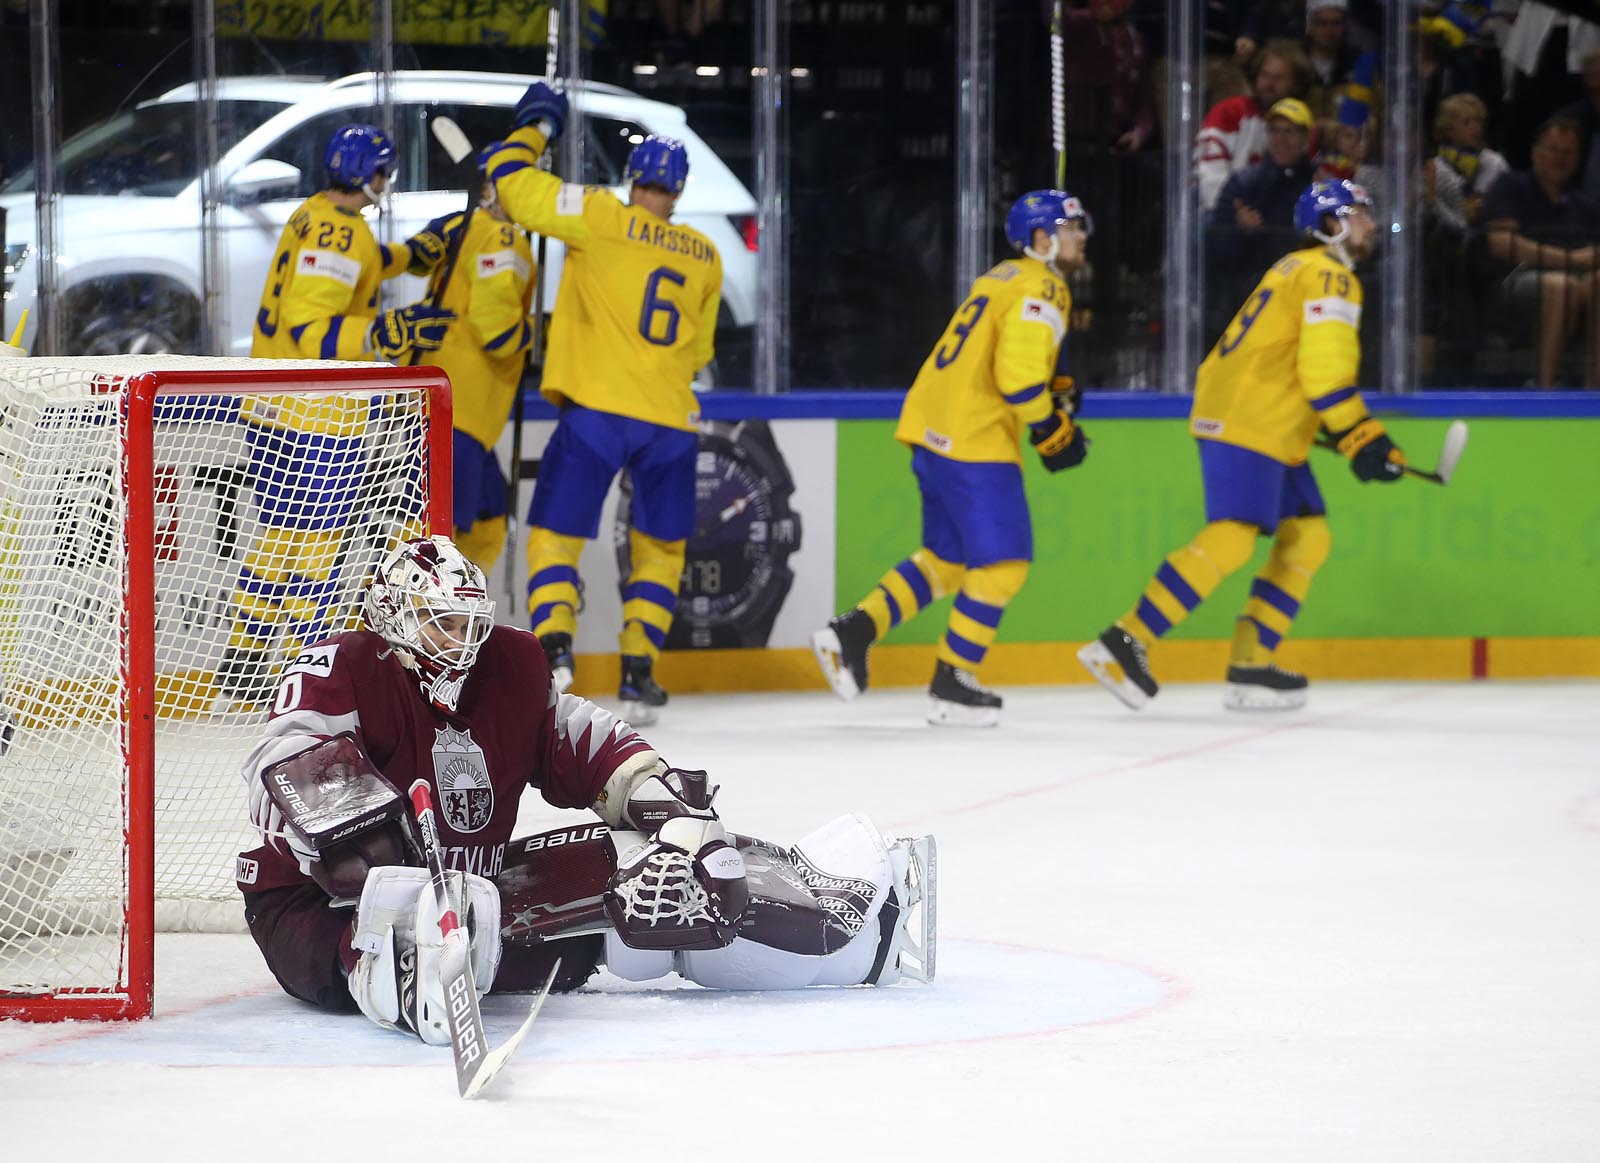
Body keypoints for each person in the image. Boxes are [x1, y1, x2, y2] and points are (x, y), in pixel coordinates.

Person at [236, 535, 935, 1041]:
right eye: (440, 622)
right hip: (316, 906)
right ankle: (388, 971)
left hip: (473, 896)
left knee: (658, 894)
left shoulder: (508, 666)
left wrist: (666, 804)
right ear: (395, 619)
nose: (461, 638)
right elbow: (287, 764)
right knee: (391, 943)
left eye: (468, 621)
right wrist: (377, 859)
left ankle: (860, 926)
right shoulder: (345, 667)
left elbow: (581, 740)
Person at [1078, 179, 1405, 713]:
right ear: (1331, 225)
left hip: (1262, 418)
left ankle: (1251, 665)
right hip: (1252, 419)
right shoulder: (1330, 275)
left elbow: (1289, 362)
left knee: (1308, 536)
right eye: (1359, 213)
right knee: (1232, 534)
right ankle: (1125, 640)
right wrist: (1362, 435)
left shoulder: (1295, 267)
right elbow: (1324, 372)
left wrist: (1342, 431)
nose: (1370, 223)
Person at [485, 84, 723, 724]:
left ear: (632, 177)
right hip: (670, 420)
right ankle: (639, 675)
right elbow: (700, 351)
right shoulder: (706, 255)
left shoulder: (599, 213)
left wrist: (536, 126)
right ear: (678, 190)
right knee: (660, 548)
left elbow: (513, 187)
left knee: (555, 536)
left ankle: (556, 651)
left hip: (597, 413)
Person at [810, 190, 1092, 728]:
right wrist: (1052, 428)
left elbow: (1006, 354)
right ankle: (953, 681)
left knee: (946, 559)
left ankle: (852, 631)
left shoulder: (1001, 277)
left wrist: (1054, 386)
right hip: (975, 440)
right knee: (1004, 565)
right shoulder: (1045, 286)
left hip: (932, 428)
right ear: (1042, 239)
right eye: (1070, 227)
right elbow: (1017, 380)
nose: (1080, 237)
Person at [219, 124, 456, 702]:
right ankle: (307, 672)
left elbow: (352, 263)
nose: (385, 182)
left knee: (277, 541)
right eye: (383, 172)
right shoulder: (342, 232)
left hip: (270, 405)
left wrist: (409, 255)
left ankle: (244, 660)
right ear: (368, 175)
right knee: (317, 550)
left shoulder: (313, 213)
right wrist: (381, 330)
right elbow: (309, 327)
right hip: (317, 416)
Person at [408, 142, 537, 574]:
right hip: (455, 414)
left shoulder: (463, 226)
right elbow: (498, 332)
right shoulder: (503, 236)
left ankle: (465, 614)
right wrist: (539, 332)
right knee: (434, 548)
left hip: (447, 411)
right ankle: (424, 618)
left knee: (488, 523)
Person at [1481, 116, 1600, 387]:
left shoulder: (1586, 203)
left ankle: (1594, 388)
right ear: (1536, 153)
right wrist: (1571, 260)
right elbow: (1501, 243)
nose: (1560, 159)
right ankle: (1544, 387)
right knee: (1562, 286)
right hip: (1514, 281)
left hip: (1580, 280)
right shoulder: (1510, 186)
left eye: (1568, 152)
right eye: (1553, 149)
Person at [1196, 43, 1306, 213]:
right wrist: (1234, 211)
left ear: (1296, 84)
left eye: (1279, 78)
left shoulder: (1302, 122)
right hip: (1220, 212)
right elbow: (1208, 178)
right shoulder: (1229, 112)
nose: (1269, 84)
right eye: (1265, 75)